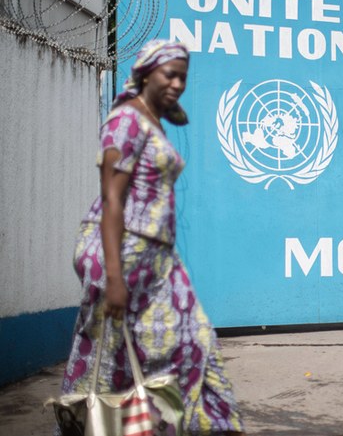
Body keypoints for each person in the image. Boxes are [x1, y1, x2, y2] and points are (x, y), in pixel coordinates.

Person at [58, 40, 245, 435]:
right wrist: (113, 277)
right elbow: (112, 197)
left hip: (158, 259)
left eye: (183, 77)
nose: (178, 84)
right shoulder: (125, 120)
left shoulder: (152, 120)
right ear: (146, 73)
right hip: (123, 250)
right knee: (111, 359)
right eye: (170, 74)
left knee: (191, 342)